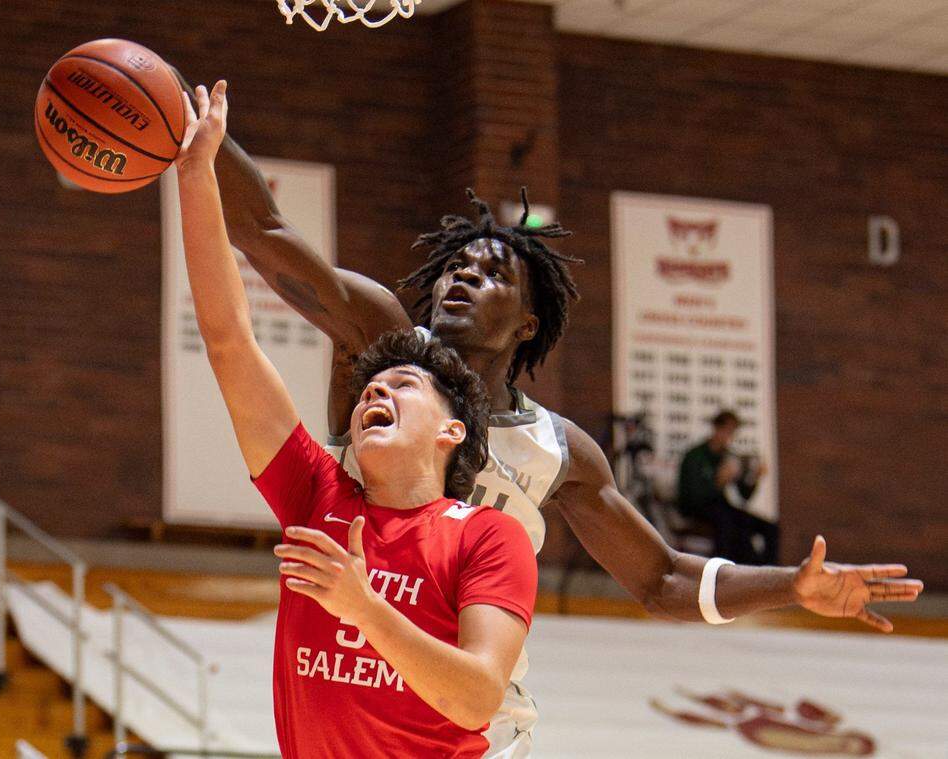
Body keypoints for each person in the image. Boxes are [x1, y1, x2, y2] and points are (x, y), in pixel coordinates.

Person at [207, 88, 924, 756]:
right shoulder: (384, 342)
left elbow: (663, 578)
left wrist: (791, 586)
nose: (460, 276)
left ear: (528, 322)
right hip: (348, 691)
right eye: (453, 267)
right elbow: (264, 231)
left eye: (488, 273)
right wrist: (192, 130)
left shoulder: (557, 451)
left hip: (472, 721)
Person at [175, 81, 539, 758]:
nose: (375, 393)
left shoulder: (490, 537)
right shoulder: (317, 493)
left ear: (451, 429)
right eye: (370, 385)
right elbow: (229, 339)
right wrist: (197, 178)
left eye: (402, 383)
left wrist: (365, 606)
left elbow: (477, 696)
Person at [678, 410, 777, 564]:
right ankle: (727, 571)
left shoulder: (729, 456)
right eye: (726, 430)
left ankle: (768, 571)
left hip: (722, 507)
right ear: (716, 429)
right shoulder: (695, 456)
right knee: (730, 525)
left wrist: (754, 478)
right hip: (699, 508)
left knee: (769, 528)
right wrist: (718, 481)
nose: (728, 436)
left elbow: (744, 495)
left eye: (732, 432)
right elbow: (691, 497)